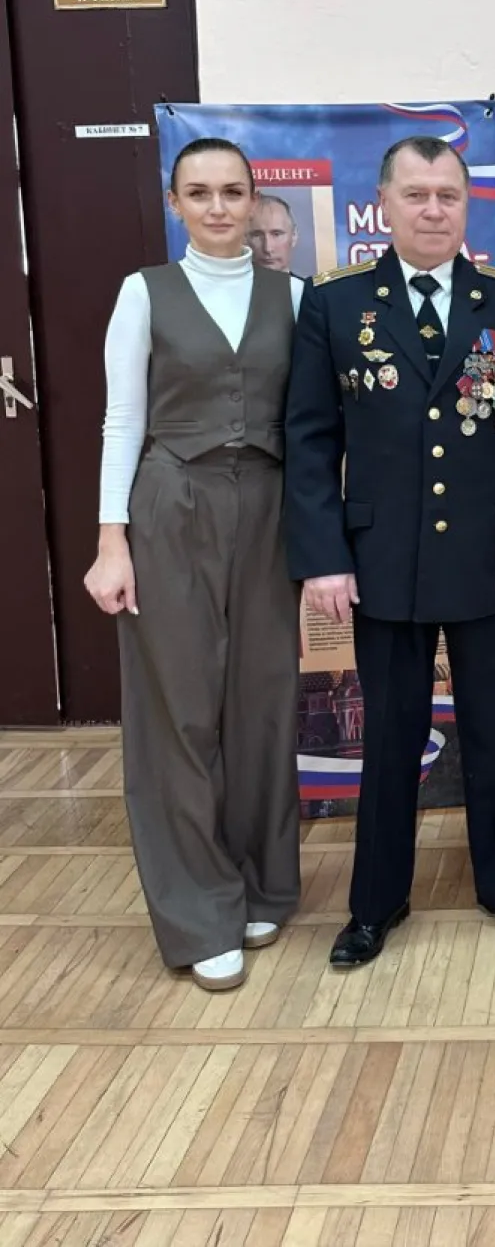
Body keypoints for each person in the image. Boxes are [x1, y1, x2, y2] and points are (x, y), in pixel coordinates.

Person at [285, 136, 495, 969]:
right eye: (416, 195)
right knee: (389, 739)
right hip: (381, 564)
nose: (435, 209)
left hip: (487, 560)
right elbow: (310, 439)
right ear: (385, 203)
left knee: (494, 734)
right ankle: (374, 904)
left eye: (449, 194)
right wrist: (324, 557)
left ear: (467, 202)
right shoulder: (335, 304)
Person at [83, 138, 303, 992]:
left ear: (255, 202)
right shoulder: (144, 292)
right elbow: (121, 420)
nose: (218, 207)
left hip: (271, 510)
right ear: (174, 203)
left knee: (262, 701)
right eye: (200, 192)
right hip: (171, 507)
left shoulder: (294, 296)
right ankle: (199, 909)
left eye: (232, 192)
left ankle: (261, 882)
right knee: (178, 711)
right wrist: (112, 541)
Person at [249, 192, 299, 273]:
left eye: (277, 234)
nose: (267, 249)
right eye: (257, 235)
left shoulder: (311, 281)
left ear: (294, 236)